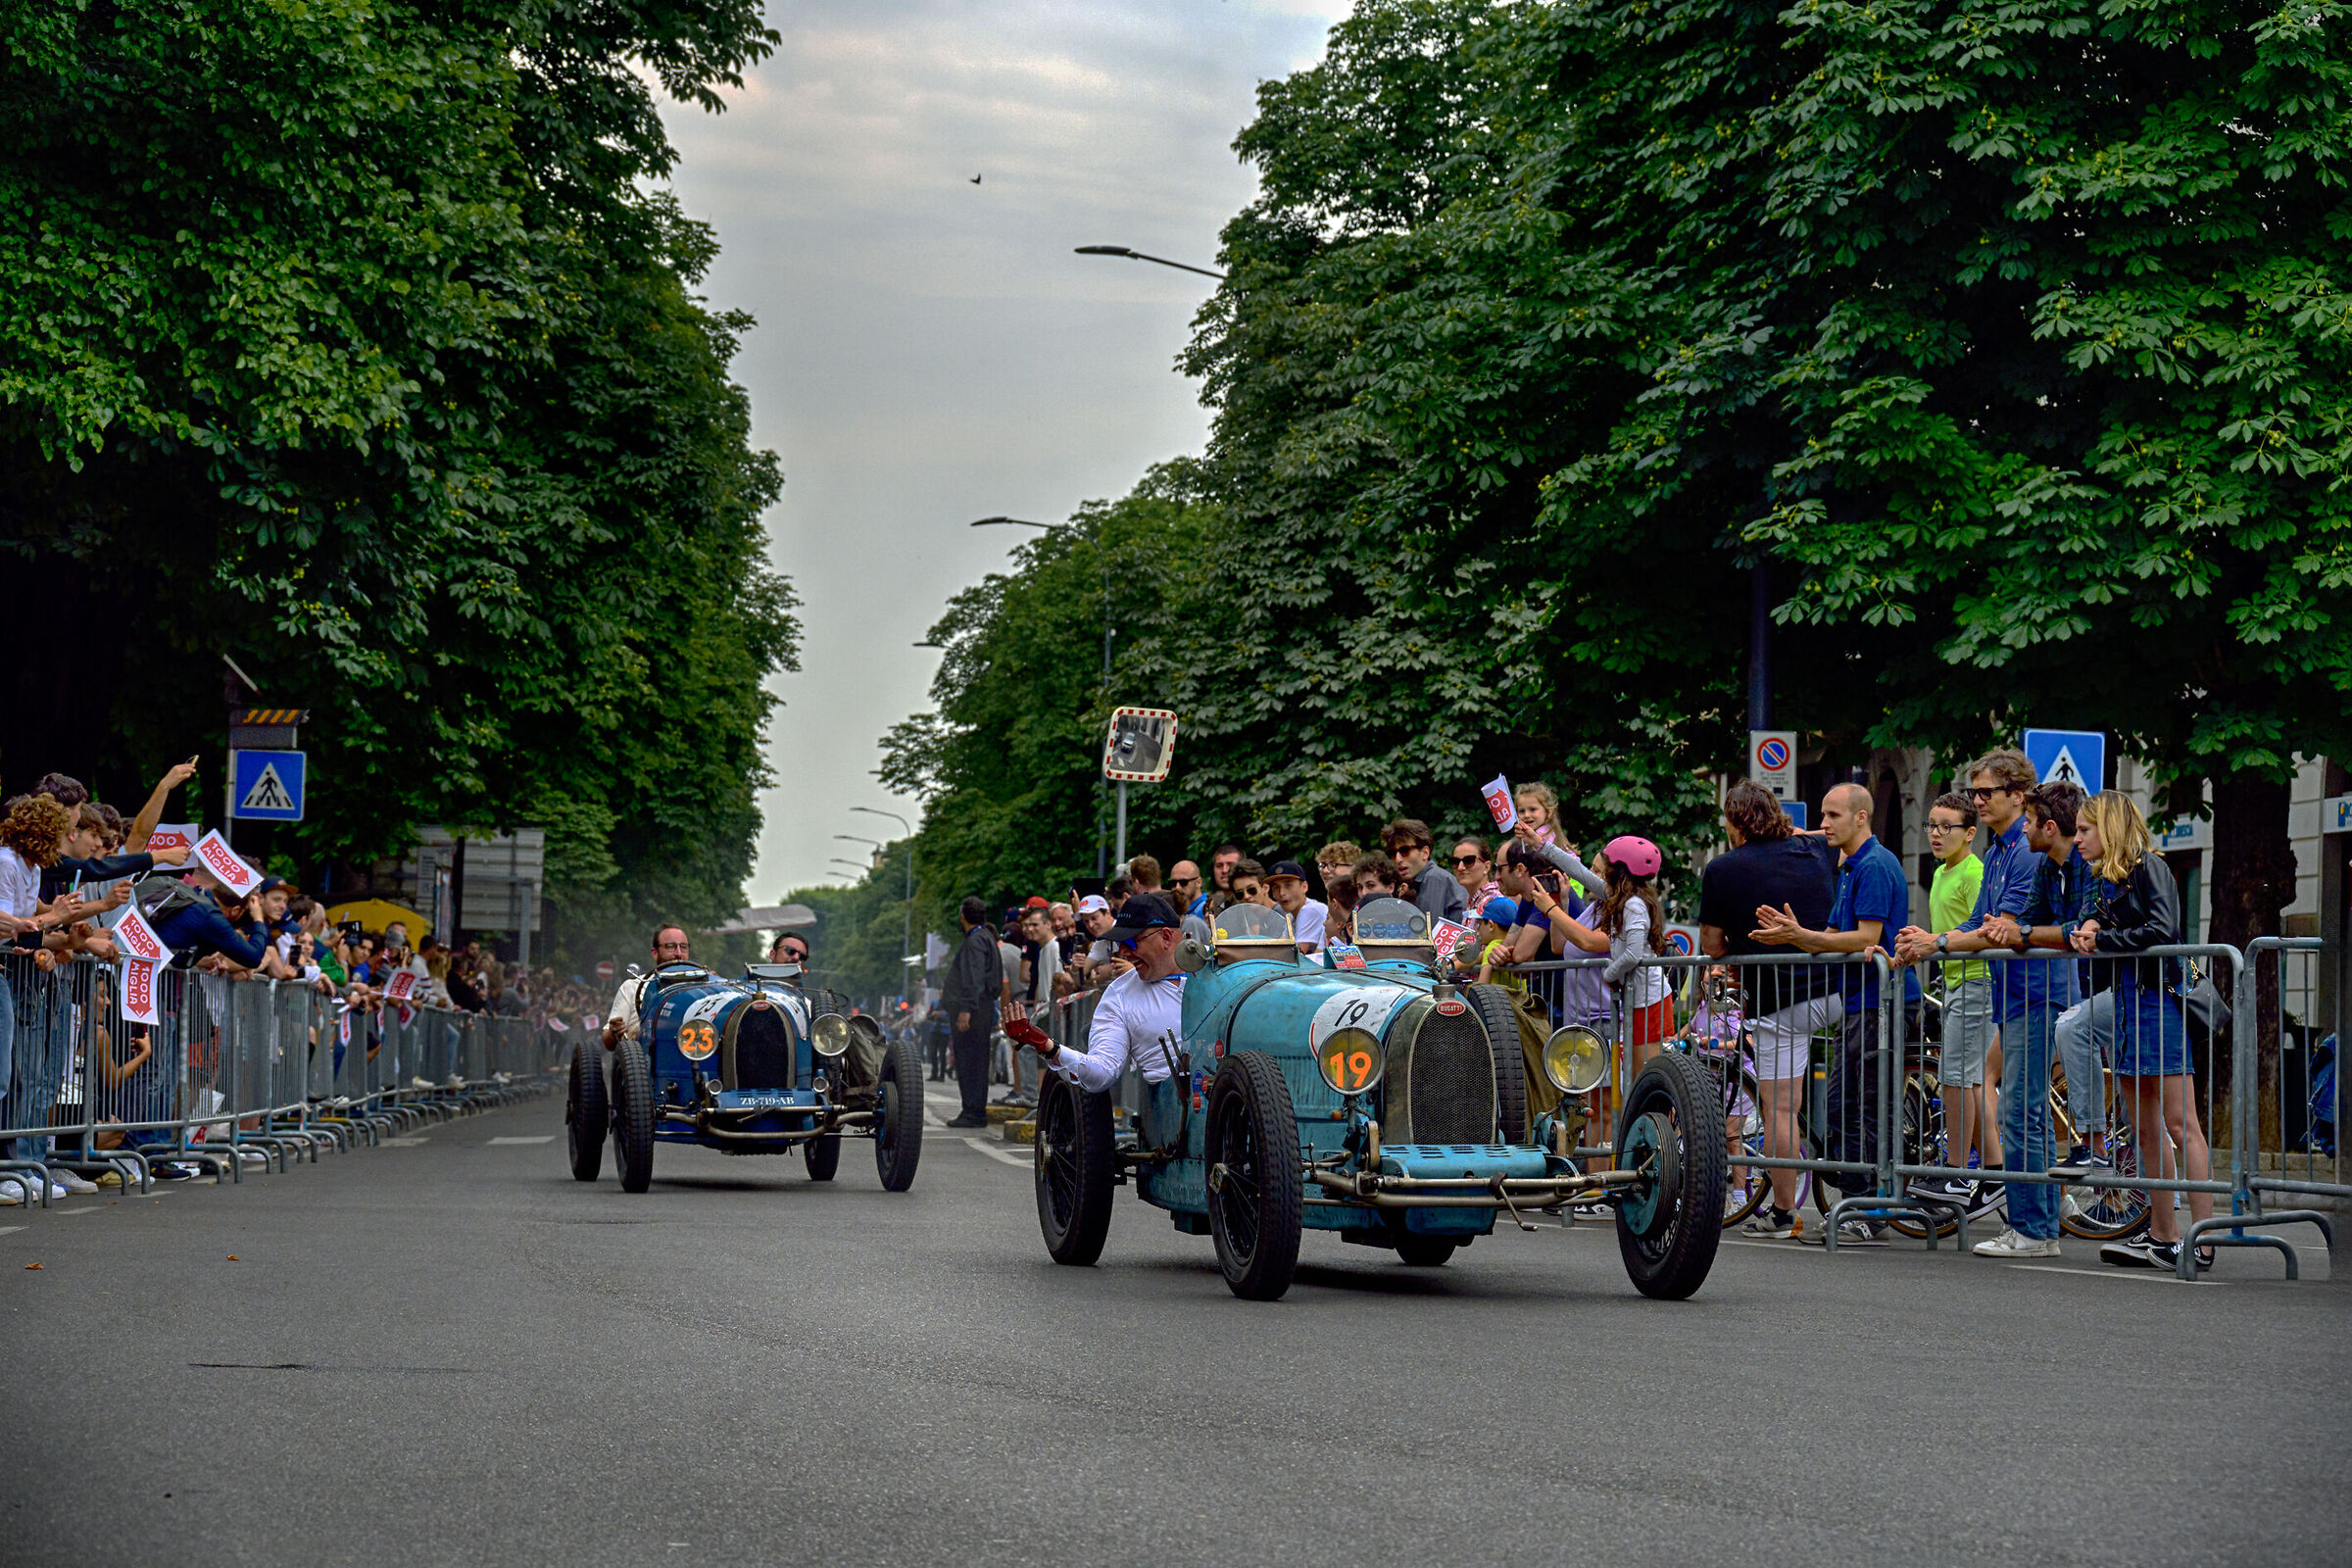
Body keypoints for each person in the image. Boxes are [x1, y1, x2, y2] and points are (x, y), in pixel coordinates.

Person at [1894, 747, 2059, 1260]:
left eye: (1987, 792)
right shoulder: (2000, 850)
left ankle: (2034, 1229)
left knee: (2021, 1110)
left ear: (2018, 795)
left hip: (2035, 990)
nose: (1979, 800)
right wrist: (1930, 939)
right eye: (1975, 792)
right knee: (2019, 1108)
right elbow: (1979, 922)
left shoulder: (2025, 850)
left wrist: (1937, 943)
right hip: (2013, 992)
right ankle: (2039, 1224)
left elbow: (2001, 928)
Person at [1751, 783, 1917, 1245]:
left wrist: (1800, 935)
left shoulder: (1875, 865)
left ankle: (1872, 1210)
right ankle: (1858, 1203)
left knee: (1865, 1107)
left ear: (1861, 817)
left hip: (1882, 1002)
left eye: (1833, 815)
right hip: (1861, 1003)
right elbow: (1831, 934)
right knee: (1844, 1105)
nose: (1824, 823)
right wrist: (1795, 935)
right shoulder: (1849, 865)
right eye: (1823, 814)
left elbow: (1865, 937)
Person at [2072, 791, 2212, 1271]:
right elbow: (2101, 921)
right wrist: (2089, 926)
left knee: (2179, 1122)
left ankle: (2203, 1239)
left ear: (2109, 828)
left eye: (2084, 830)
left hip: (2159, 1001)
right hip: (2128, 1001)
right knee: (2145, 1126)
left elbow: (2163, 930)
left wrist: (2103, 938)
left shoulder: (2150, 867)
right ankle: (2163, 1234)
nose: (2078, 839)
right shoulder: (2105, 878)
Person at [1698, 780, 1838, 1240]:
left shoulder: (1723, 869)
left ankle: (1783, 1213)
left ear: (1734, 822)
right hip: (1836, 988)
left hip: (1779, 1000)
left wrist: (1739, 955)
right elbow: (1818, 836)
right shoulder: (1815, 851)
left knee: (1780, 1109)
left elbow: (1712, 945)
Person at [1918, 791, 1999, 1200]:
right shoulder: (1940, 873)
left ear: (1969, 833)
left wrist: (1935, 942)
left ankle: (1957, 1171)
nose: (1936, 834)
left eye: (1946, 827)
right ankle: (1996, 1171)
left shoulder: (1973, 872)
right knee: (1970, 1080)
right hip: (1954, 981)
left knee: (1957, 1077)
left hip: (1976, 980)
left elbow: (1983, 930)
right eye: (1931, 825)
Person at [1032, 894, 1188, 1094]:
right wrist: (1051, 1049)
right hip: (1171, 1103)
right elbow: (1103, 1070)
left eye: (1131, 942)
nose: (1123, 952)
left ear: (1166, 937)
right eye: (1120, 944)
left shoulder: (1215, 965)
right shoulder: (1119, 994)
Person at [941, 896, 1003, 1128]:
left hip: (974, 1011)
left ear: (963, 916)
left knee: (969, 1062)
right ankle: (975, 1110)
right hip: (982, 1007)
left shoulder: (975, 941)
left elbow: (973, 977)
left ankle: (972, 1112)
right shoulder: (986, 938)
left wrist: (965, 1009)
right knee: (977, 1061)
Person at [603, 926, 691, 1051]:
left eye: (684, 947)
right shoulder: (633, 987)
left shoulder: (705, 989)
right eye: (671, 946)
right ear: (655, 953)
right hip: (642, 1058)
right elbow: (608, 1041)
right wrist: (614, 1031)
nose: (679, 953)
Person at [1382, 819, 1468, 924]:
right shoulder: (1419, 881)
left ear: (1425, 853)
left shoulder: (1433, 878)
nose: (1398, 859)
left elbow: (1428, 930)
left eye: (1405, 851)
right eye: (1392, 853)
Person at [1263, 860, 1327, 953]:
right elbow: (1280, 947)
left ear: (1304, 887)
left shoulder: (1310, 909)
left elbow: (1297, 954)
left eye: (1288, 885)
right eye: (1276, 887)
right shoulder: (1291, 916)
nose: (1281, 893)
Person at [1449, 837, 1499, 909]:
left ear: (1486, 867)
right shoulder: (1473, 901)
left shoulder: (1495, 903)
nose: (1460, 867)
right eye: (1455, 862)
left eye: (1469, 861)